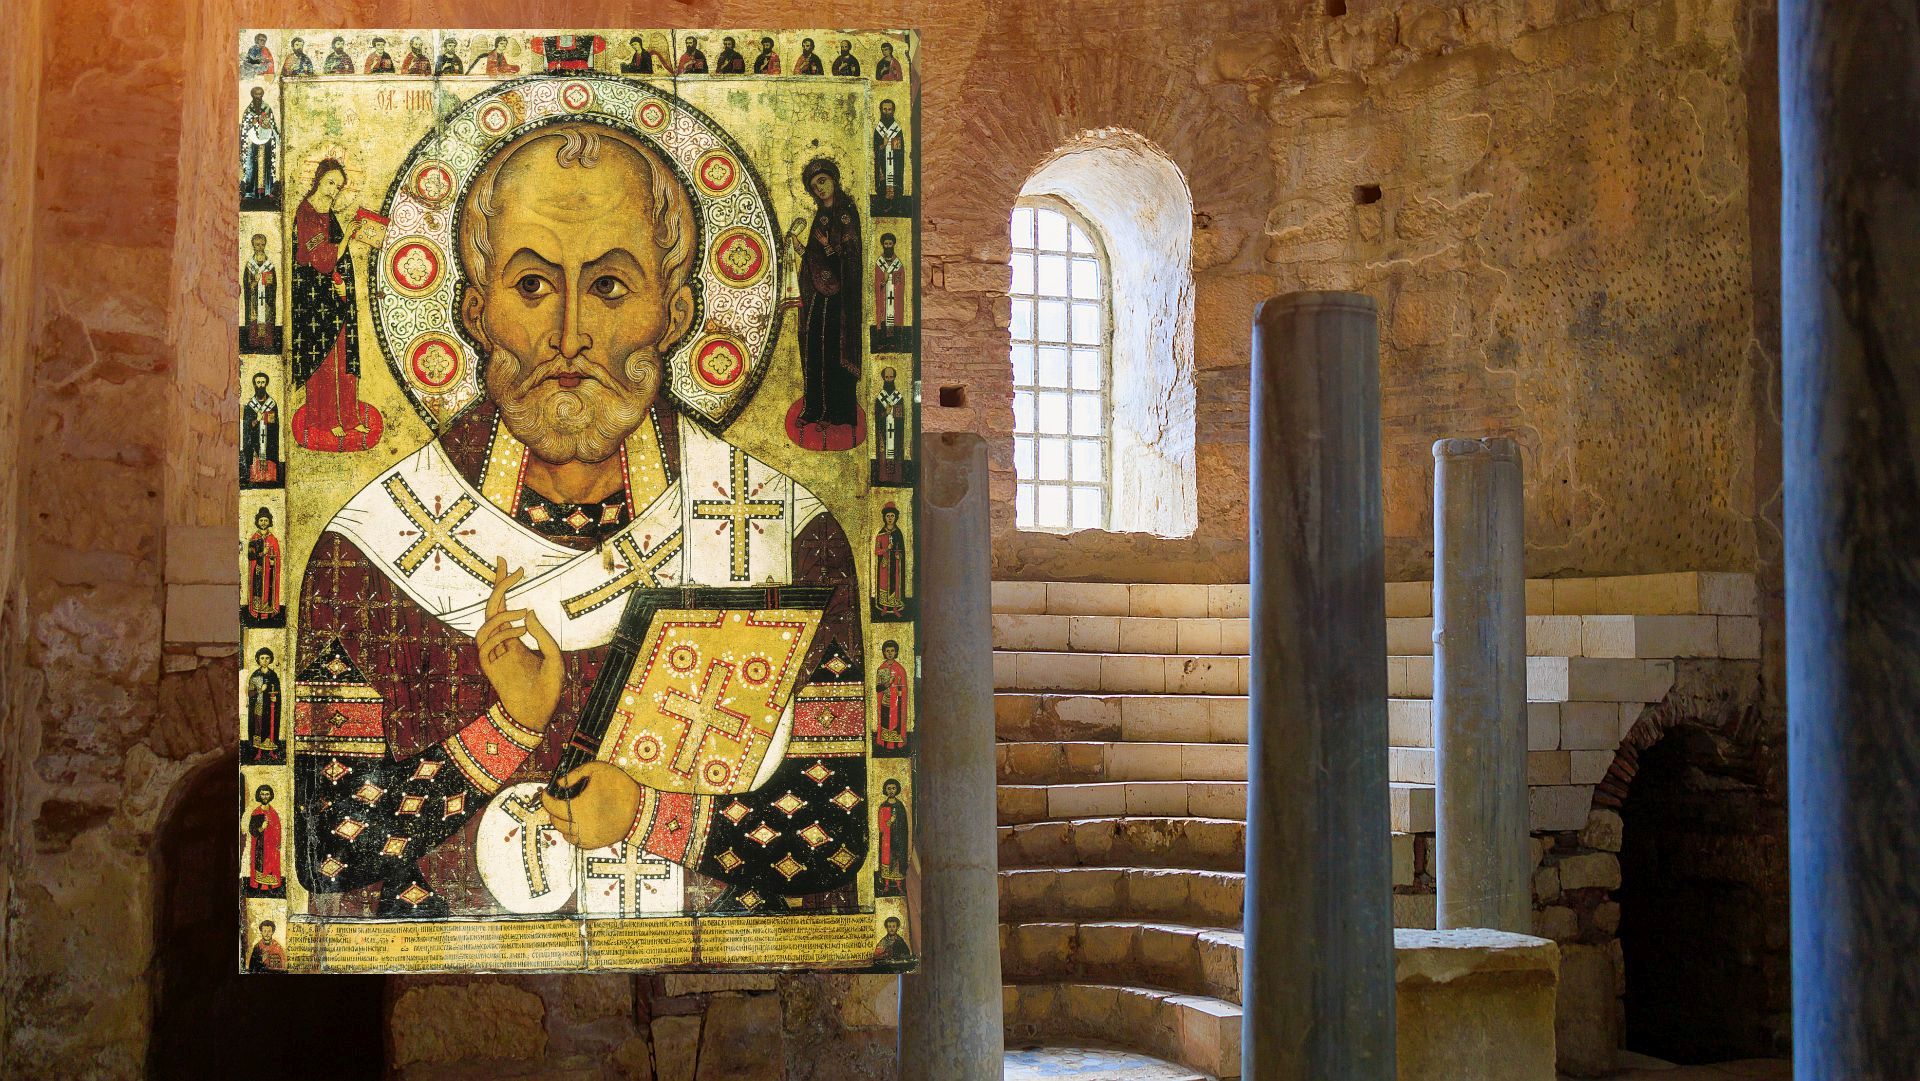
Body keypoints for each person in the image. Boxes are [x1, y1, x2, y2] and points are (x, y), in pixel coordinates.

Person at [291, 121, 870, 917]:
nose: (570, 336)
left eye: (610, 286)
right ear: (476, 311)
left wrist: (646, 816)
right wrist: (510, 728)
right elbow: (330, 842)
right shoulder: (370, 549)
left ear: (675, 312)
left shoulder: (789, 535)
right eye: (532, 285)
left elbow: (835, 831)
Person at [288, 159, 383, 451]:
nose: (333, 190)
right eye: (330, 183)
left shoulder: (328, 213)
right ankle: (327, 419)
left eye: (338, 187)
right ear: (318, 179)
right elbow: (320, 259)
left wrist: (343, 287)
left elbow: (337, 263)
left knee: (345, 355)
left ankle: (350, 417)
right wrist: (346, 239)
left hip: (335, 299)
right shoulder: (306, 213)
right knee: (326, 360)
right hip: (316, 303)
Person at [796, 157, 863, 439]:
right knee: (814, 347)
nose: (820, 188)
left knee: (833, 353)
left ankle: (835, 413)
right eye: (814, 186)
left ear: (833, 179)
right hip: (818, 295)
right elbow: (815, 258)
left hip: (840, 299)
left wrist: (827, 247)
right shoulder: (820, 217)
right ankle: (814, 409)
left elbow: (850, 258)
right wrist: (802, 250)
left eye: (822, 181)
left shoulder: (846, 213)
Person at [870, 367, 909, 488]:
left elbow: (901, 416)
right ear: (883, 378)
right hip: (883, 431)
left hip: (896, 431)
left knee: (896, 452)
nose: (889, 379)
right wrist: (885, 413)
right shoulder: (880, 397)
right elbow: (877, 416)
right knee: (883, 453)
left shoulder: (898, 397)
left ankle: (896, 479)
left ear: (894, 378)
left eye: (891, 377)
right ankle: (884, 478)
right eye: (886, 377)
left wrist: (893, 412)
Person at [239, 87, 279, 207]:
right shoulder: (248, 110)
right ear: (252, 95)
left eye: (260, 95)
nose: (258, 97)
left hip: (265, 142)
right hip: (252, 143)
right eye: (256, 95)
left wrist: (267, 124)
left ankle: (267, 191)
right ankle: (250, 193)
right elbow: (244, 126)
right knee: (251, 165)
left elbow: (272, 124)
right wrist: (252, 123)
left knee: (266, 165)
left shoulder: (267, 108)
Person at [241, 373, 281, 486]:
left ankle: (269, 479)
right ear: (254, 384)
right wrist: (257, 419)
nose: (261, 385)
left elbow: (274, 423)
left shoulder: (271, 403)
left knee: (270, 457)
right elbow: (247, 426)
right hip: (254, 441)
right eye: (258, 382)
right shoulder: (250, 405)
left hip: (269, 440)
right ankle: (255, 478)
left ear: (266, 384)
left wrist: (266, 417)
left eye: (263, 382)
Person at [245, 507, 283, 624]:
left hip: (269, 572)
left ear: (269, 521)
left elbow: (277, 556)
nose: (263, 523)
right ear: (257, 521)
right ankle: (256, 614)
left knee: (268, 592)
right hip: (258, 570)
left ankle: (267, 616)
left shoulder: (273, 539)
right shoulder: (254, 538)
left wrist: (273, 560)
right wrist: (262, 553)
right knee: (257, 591)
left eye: (266, 520)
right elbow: (251, 556)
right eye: (261, 520)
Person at [873, 779, 908, 897]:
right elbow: (881, 826)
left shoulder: (900, 806)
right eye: (889, 788)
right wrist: (890, 821)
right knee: (887, 861)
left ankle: (899, 886)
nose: (891, 791)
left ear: (897, 789)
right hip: (887, 840)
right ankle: (886, 885)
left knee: (898, 862)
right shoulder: (883, 806)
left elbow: (904, 825)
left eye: (893, 788)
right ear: (885, 790)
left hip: (899, 840)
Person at [242, 234, 277, 353]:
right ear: (253, 246)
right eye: (257, 245)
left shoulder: (269, 265)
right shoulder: (250, 265)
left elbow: (272, 284)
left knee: (267, 317)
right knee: (254, 318)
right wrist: (255, 282)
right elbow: (247, 285)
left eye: (262, 244)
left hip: (266, 299)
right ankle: (254, 342)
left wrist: (267, 282)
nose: (260, 247)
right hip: (254, 300)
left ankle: (267, 342)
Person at [873, 638, 909, 752]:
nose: (890, 653)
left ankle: (895, 746)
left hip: (896, 702)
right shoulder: (881, 668)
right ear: (884, 652)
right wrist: (887, 684)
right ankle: (885, 744)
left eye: (892, 651)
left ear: (896, 652)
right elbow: (878, 688)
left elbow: (904, 687)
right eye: (887, 651)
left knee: (896, 723)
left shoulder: (900, 669)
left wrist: (899, 692)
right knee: (885, 723)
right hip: (885, 700)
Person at [872, 503, 907, 618]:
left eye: (892, 515)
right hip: (885, 564)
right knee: (884, 585)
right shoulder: (880, 534)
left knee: (895, 584)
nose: (890, 518)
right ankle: (885, 608)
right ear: (884, 517)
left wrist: (898, 555)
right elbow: (877, 551)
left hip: (896, 564)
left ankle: (895, 608)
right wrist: (887, 549)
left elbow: (901, 550)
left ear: (896, 517)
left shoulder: (898, 533)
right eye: (888, 516)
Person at [247, 647, 283, 760]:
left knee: (270, 727)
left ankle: (271, 751)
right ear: (258, 659)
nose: (265, 660)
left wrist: (276, 698)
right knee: (258, 728)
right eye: (262, 658)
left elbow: (278, 692)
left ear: (270, 659)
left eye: (267, 658)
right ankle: (258, 752)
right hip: (259, 706)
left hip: (271, 707)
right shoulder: (255, 675)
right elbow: (250, 693)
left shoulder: (273, 675)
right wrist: (260, 690)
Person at [246, 785, 283, 893]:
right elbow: (252, 831)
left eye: (267, 794)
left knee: (272, 866)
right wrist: (262, 827)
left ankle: (271, 888)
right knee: (260, 866)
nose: (265, 796)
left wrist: (278, 842)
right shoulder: (256, 812)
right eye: (262, 794)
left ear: (270, 795)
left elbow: (278, 828)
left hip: (272, 846)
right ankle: (260, 888)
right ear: (259, 796)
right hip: (260, 845)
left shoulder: (273, 812)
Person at [872, 98, 906, 202]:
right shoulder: (878, 129)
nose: (887, 112)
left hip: (894, 165)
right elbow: (875, 149)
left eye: (889, 109)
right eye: (884, 109)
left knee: (895, 189)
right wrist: (883, 144)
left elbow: (898, 151)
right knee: (882, 188)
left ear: (893, 111)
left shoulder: (896, 129)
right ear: (881, 110)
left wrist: (891, 145)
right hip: (881, 165)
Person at [873, 233, 906, 330]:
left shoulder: (898, 264)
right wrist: (884, 280)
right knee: (883, 319)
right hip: (883, 297)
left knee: (895, 319)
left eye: (890, 243)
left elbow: (900, 283)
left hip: (894, 296)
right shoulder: (879, 263)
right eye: (886, 244)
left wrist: (892, 279)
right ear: (882, 245)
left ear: (893, 244)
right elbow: (876, 283)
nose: (888, 246)